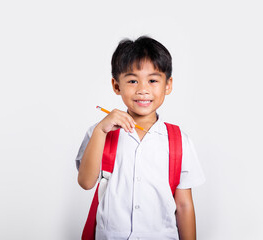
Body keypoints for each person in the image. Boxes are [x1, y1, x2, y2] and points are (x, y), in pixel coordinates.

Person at [75, 36, 205, 240]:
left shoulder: (179, 140)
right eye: (133, 80)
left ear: (168, 85)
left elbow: (184, 204)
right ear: (116, 85)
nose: (143, 89)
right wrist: (101, 131)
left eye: (153, 80)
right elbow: (85, 182)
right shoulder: (101, 131)